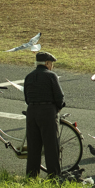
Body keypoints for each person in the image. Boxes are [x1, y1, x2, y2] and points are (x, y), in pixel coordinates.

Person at [23, 51, 65, 179]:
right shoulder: (51, 76)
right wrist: (57, 108)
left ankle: (32, 176)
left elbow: (27, 98)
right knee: (51, 146)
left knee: (33, 147)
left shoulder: (28, 77)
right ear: (47, 63)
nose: (52, 66)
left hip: (32, 111)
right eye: (51, 63)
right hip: (47, 111)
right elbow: (59, 97)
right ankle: (54, 176)